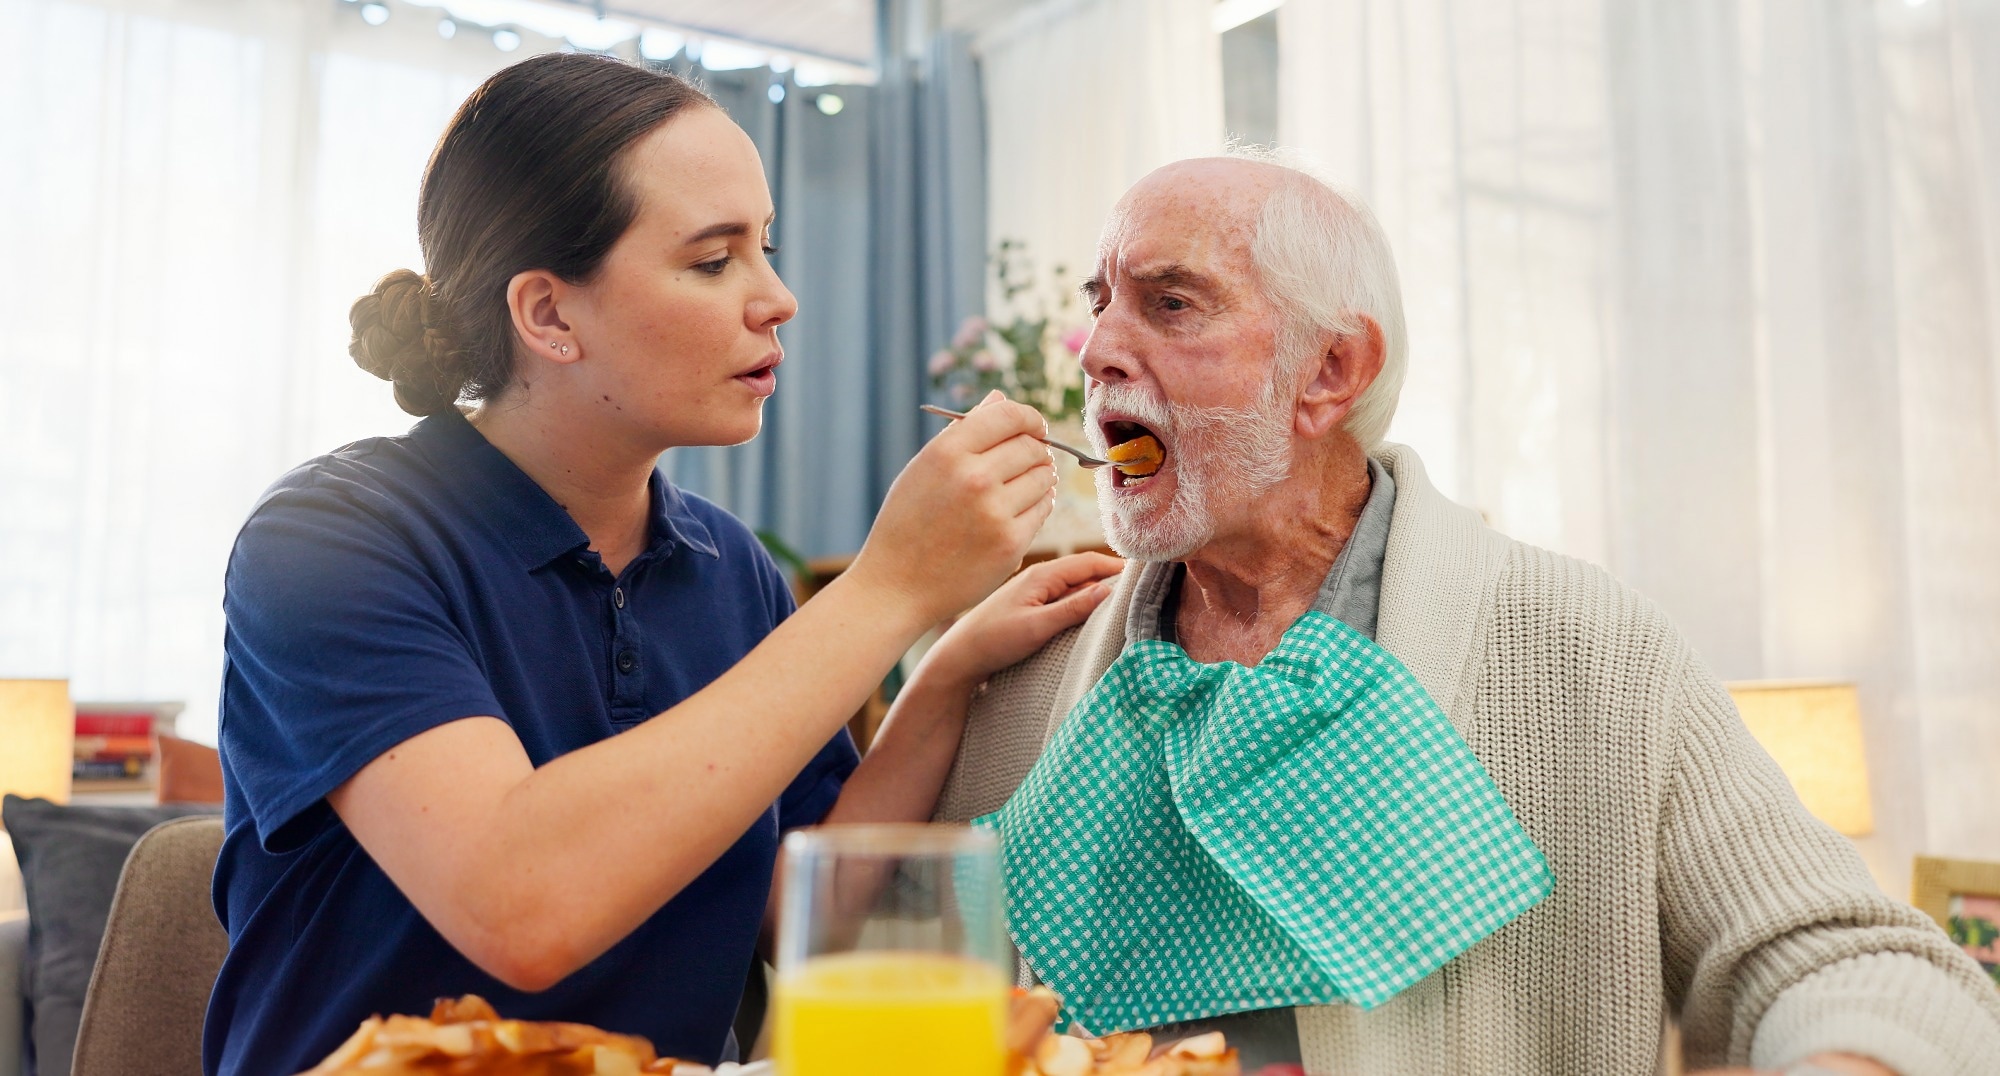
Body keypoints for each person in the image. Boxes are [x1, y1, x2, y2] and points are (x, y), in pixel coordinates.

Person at [932, 151, 2000, 1076]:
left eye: (1168, 303)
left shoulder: (1582, 647)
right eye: (1097, 302)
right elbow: (850, 969)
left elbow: (1863, 963)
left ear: (1329, 371)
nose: (1096, 350)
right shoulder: (1031, 660)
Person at [204, 53, 1121, 1076]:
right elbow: (521, 902)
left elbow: (788, 905)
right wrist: (886, 587)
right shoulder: (332, 538)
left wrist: (942, 667)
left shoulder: (731, 571)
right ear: (548, 315)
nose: (777, 299)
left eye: (764, 248)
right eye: (711, 259)